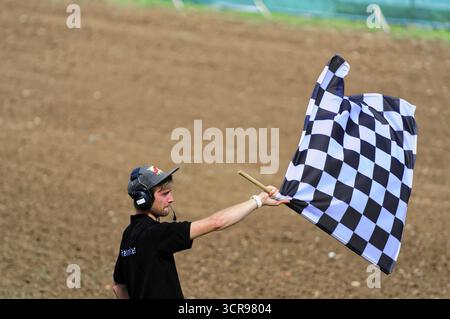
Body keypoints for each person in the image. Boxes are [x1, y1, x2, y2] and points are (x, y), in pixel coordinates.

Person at [112, 165, 289, 299]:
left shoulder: (129, 234)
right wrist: (259, 200)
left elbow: (119, 287)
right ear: (144, 199)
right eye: (164, 194)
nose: (171, 199)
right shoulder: (156, 234)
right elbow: (217, 222)